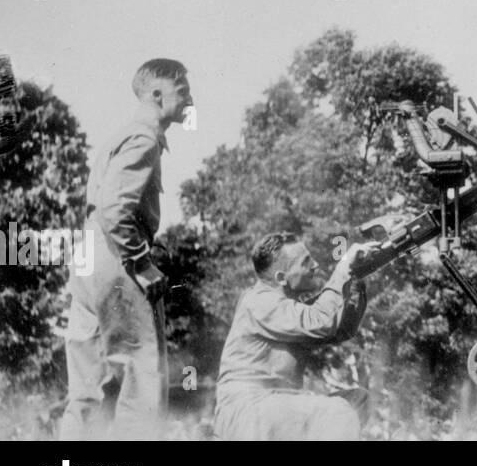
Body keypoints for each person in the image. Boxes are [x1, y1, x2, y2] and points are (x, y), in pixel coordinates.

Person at [61, 59, 193, 439]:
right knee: (141, 376)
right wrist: (139, 262)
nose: (190, 100)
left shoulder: (119, 136)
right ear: (157, 95)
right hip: (116, 254)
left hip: (88, 254)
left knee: (85, 383)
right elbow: (115, 207)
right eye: (183, 91)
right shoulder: (145, 137)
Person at [213, 232, 370, 440]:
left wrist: (357, 279)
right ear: (281, 278)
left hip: (274, 406)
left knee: (358, 400)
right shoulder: (259, 301)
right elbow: (322, 321)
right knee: (337, 411)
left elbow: (342, 329)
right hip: (247, 409)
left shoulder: (287, 310)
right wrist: (342, 269)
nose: (315, 265)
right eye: (306, 262)